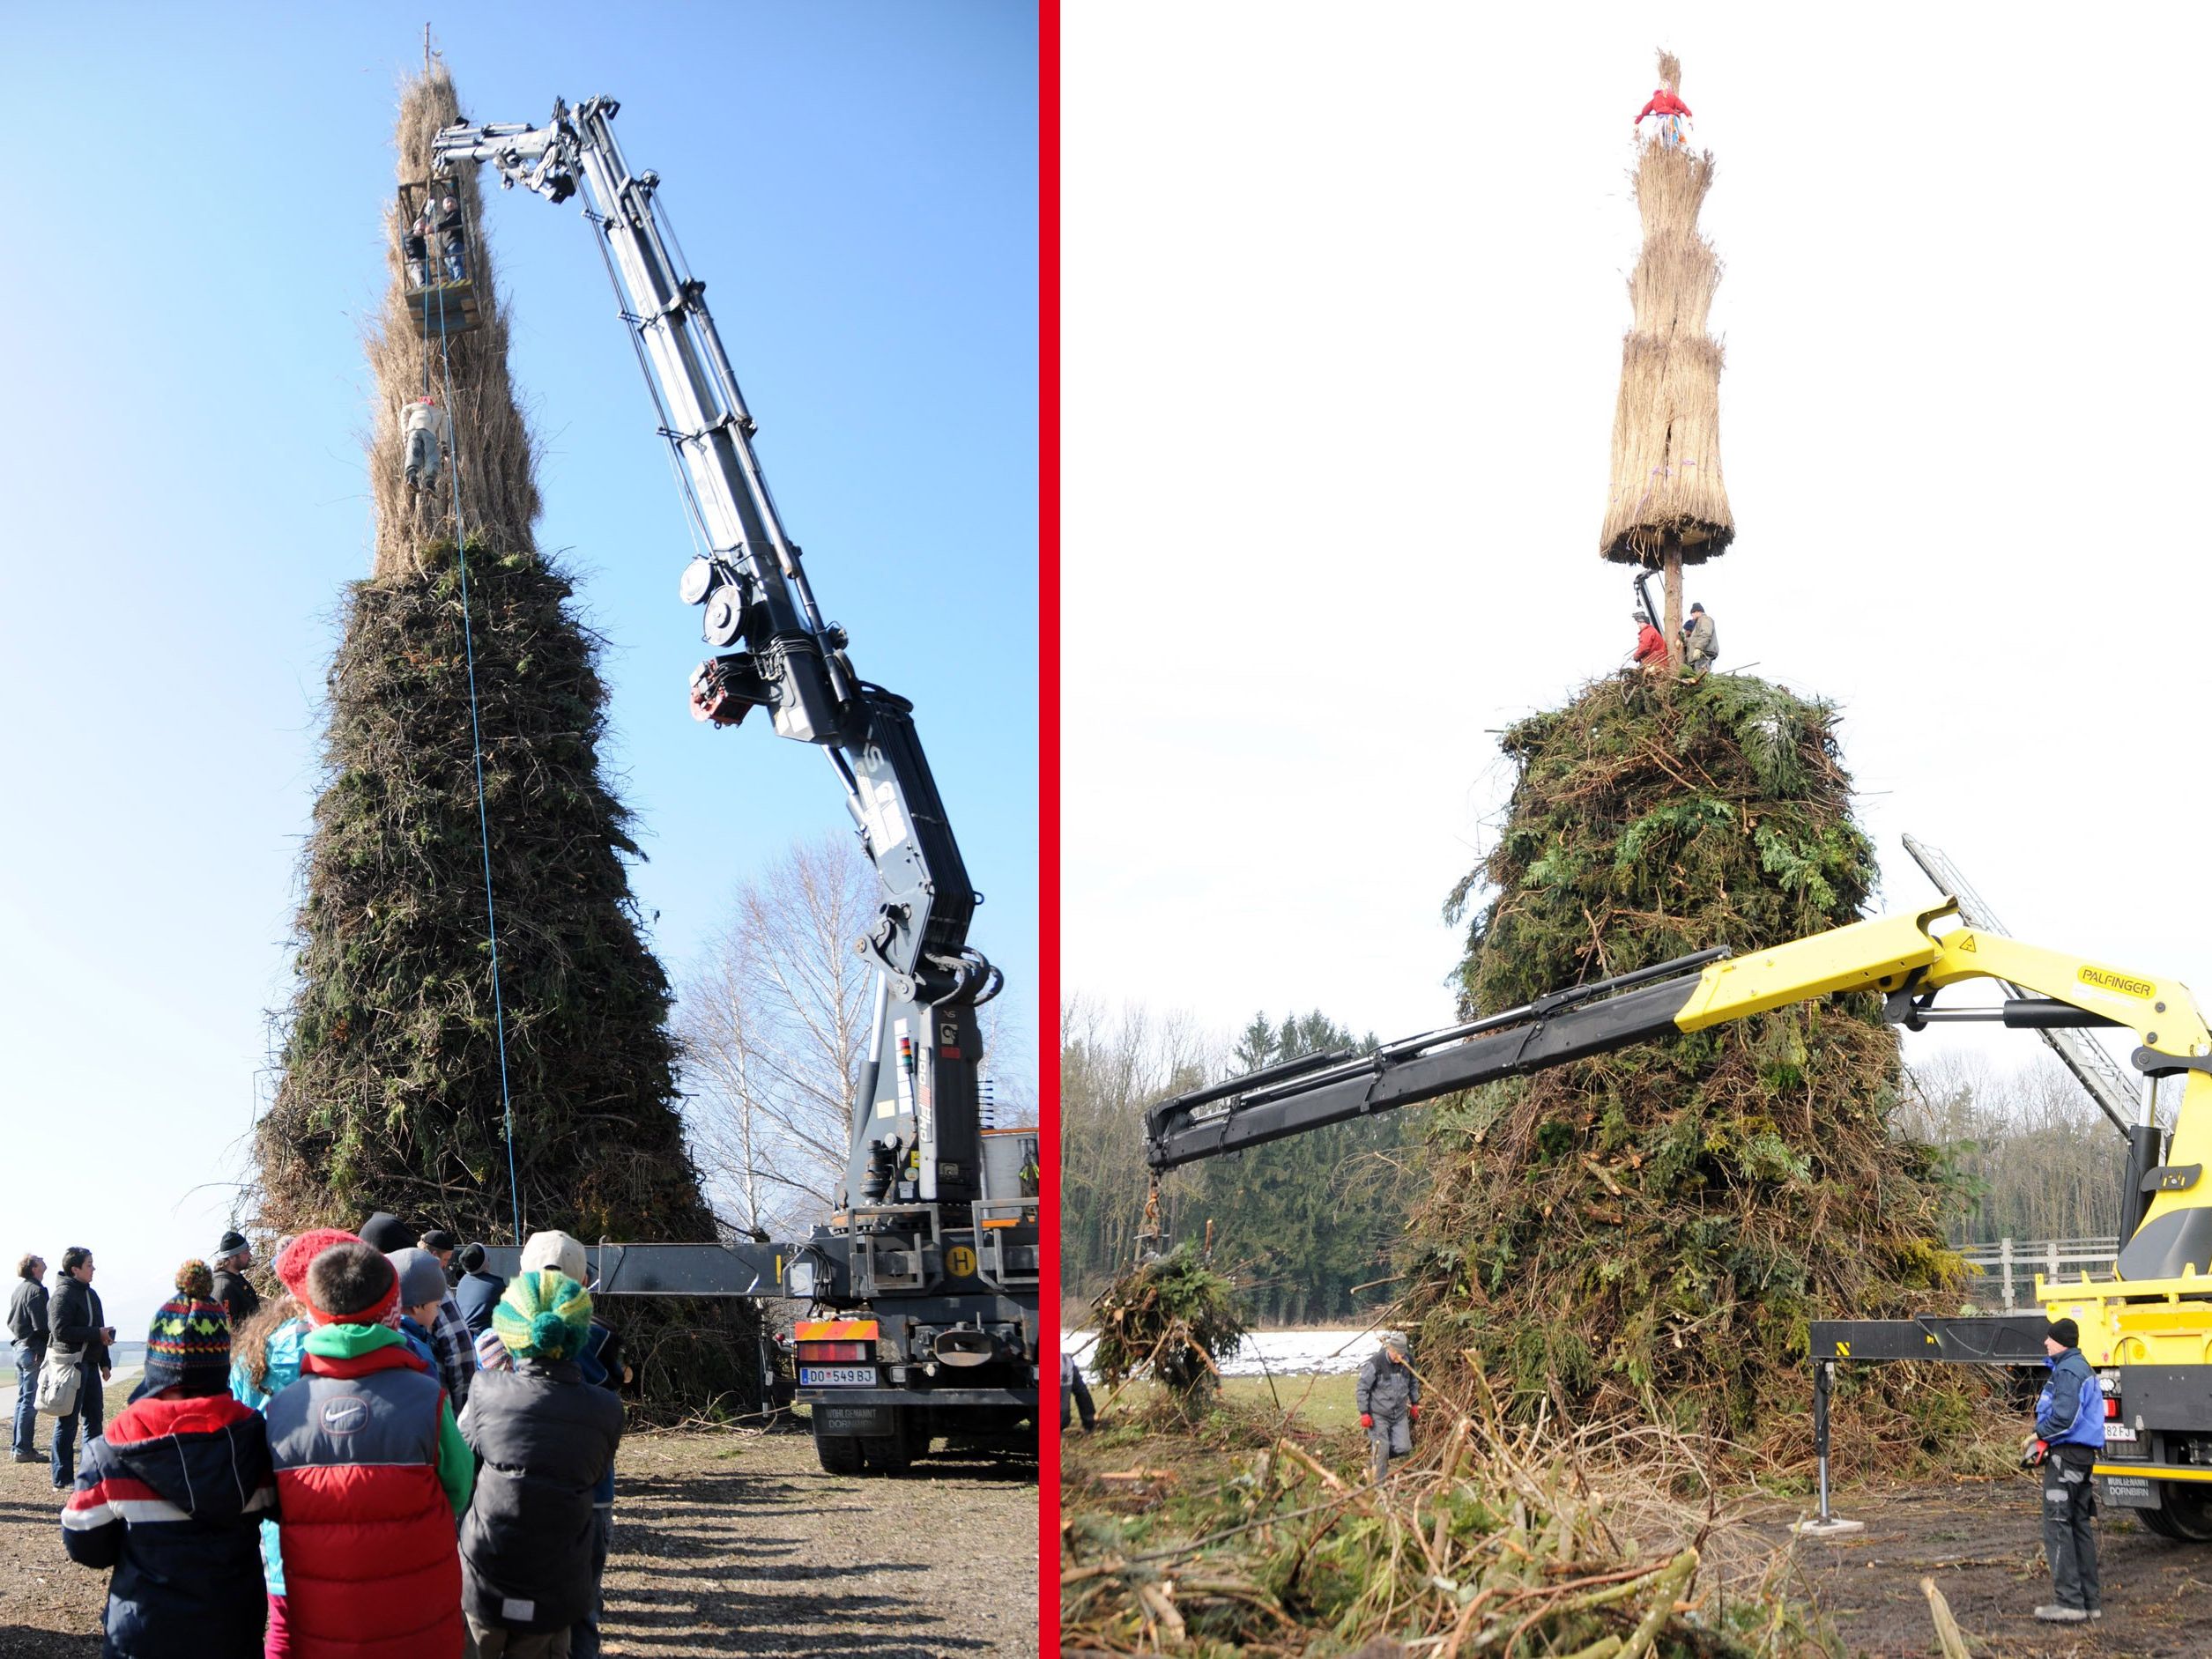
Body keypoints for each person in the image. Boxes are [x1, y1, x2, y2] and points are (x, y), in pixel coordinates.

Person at [265, 1240, 473, 1659]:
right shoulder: (427, 1398)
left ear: (316, 1314)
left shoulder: (282, 1409)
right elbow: (460, 1487)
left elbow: (274, 1504)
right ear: (393, 1309)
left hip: (323, 1619)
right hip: (419, 1616)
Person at [61, 1263, 275, 1659]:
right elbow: (282, 1510)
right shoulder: (252, 1440)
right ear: (220, 1365)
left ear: (156, 1363)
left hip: (141, 1634)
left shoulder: (110, 1450)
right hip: (232, 1631)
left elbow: (85, 1542)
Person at [457, 1268, 623, 1659]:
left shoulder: (486, 1390)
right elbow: (594, 1473)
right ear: (580, 1333)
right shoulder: (606, 1408)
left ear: (511, 1329)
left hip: (486, 1572)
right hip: (558, 1580)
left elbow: (462, 1465)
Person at [234, 1228, 353, 1656]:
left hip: (280, 1507)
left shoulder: (260, 1346)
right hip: (352, 1507)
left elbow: (240, 1426)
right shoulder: (361, 1340)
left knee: (283, 1622)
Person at [2029, 1316, 2104, 1623]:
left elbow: (2065, 1419)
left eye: (2049, 1338)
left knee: (2058, 1525)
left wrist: (2038, 1436)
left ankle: (2069, 1602)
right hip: (2081, 1457)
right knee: (2078, 1525)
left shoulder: (2069, 1371)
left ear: (2060, 1341)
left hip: (2068, 1457)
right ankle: (2089, 1602)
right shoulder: (2077, 1367)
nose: (2045, 1342)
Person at [363, 1211, 473, 1407]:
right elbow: (459, 1347)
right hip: (433, 1409)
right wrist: (462, 1413)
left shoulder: (361, 1290)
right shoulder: (423, 1280)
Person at [48, 1245, 116, 1491]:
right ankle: (61, 1477)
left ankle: (91, 1474)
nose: (93, 1268)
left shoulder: (92, 1294)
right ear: (75, 1269)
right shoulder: (62, 1295)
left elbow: (101, 1330)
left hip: (90, 1364)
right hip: (71, 1366)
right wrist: (95, 1334)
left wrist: (105, 1362)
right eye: (89, 1264)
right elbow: (60, 1331)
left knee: (94, 1420)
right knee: (68, 1423)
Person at [1356, 1331, 1421, 1485]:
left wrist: (1415, 1403)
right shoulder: (1376, 1363)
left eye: (1400, 1354)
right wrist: (1364, 1413)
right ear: (1389, 1349)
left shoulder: (1408, 1361)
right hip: (1378, 1415)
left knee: (1404, 1448)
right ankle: (1379, 1487)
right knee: (1382, 1449)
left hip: (1399, 1415)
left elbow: (1413, 1383)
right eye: (1394, 1353)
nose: (1397, 1357)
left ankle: (1376, 1461)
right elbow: (1362, 1388)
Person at [9, 1254, 48, 1463]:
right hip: (32, 1349)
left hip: (20, 1348)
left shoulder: (19, 1289)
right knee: (30, 1401)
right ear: (34, 1268)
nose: (43, 1260)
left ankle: (18, 1447)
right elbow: (41, 1325)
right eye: (39, 1259)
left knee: (23, 1399)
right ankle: (24, 1449)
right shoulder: (36, 1290)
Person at [385, 1247, 449, 1370]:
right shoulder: (419, 1354)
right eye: (436, 1306)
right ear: (417, 1306)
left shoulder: (386, 1334)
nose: (437, 1314)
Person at [453, 1242, 508, 1339]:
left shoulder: (462, 1282)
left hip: (463, 1336)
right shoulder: (496, 1285)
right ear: (486, 1261)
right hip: (483, 1339)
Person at [402, 396, 453, 494]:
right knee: (431, 456)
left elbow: (404, 410)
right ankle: (430, 482)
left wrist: (405, 433)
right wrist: (444, 445)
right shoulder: (439, 412)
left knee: (414, 452)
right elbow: (444, 427)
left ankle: (411, 476)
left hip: (414, 431)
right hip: (429, 433)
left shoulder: (415, 406)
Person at [210, 1231, 262, 1328]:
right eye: (245, 1252)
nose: (250, 1255)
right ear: (232, 1258)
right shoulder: (223, 1289)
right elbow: (228, 1332)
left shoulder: (236, 1277)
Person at [1636, 85, 1693, 150]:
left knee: (1657, 136)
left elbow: (1644, 111)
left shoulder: (1655, 99)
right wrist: (1689, 118)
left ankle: (1658, 147)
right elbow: (1684, 108)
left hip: (1661, 119)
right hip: (1673, 117)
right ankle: (1680, 144)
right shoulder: (1673, 97)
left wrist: (1637, 121)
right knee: (1679, 133)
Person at [1060, 1350, 1096, 1433]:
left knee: (1083, 1394)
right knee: (1063, 1413)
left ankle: (1089, 1423)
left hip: (1066, 1365)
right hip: (1063, 1369)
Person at [434, 193, 468, 282]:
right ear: (444, 207)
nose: (450, 204)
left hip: (455, 242)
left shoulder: (456, 213)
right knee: (450, 267)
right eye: (447, 202)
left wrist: (437, 227)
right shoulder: (446, 218)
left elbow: (450, 222)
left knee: (456, 262)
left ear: (456, 205)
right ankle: (454, 281)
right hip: (447, 246)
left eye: (452, 202)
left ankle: (459, 280)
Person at [1681, 602, 1718, 675]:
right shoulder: (1698, 623)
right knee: (1698, 677)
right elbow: (1694, 640)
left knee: (1701, 677)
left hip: (1703, 654)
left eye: (1692, 614)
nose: (1692, 616)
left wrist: (1698, 648)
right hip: (1700, 655)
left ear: (1697, 611)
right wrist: (1684, 640)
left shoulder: (1705, 619)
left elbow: (1706, 634)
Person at [1630, 611, 1668, 675]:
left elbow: (1644, 648)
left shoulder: (1647, 631)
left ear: (1644, 622)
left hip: (1655, 664)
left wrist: (1636, 656)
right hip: (1658, 663)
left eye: (1639, 623)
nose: (1639, 626)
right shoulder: (1651, 630)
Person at [403, 214, 431, 288]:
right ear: (415, 226)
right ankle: (422, 286)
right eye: (421, 223)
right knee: (419, 273)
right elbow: (407, 240)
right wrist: (414, 234)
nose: (423, 225)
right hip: (415, 259)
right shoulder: (409, 233)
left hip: (423, 260)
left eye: (424, 224)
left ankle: (427, 286)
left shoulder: (421, 239)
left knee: (427, 277)